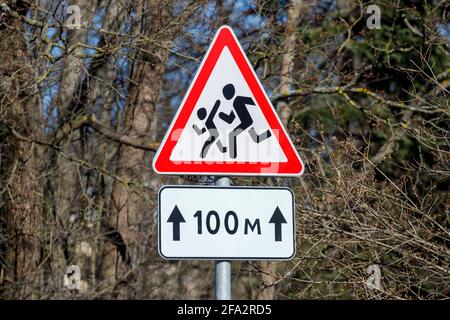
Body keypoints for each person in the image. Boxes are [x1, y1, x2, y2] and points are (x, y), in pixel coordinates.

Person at [218, 83, 272, 159]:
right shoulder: (234, 103)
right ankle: (270, 133)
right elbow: (230, 119)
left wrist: (263, 104)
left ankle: (232, 157)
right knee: (256, 138)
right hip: (248, 123)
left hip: (247, 122)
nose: (225, 96)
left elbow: (254, 101)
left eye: (225, 93)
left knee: (231, 135)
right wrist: (222, 116)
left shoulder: (239, 99)